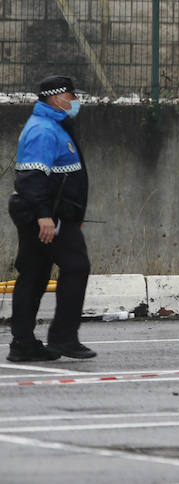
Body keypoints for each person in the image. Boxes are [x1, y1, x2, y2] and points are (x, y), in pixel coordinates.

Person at [7, 75, 97, 362]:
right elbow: (32, 178)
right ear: (56, 98)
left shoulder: (55, 126)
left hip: (54, 215)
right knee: (76, 267)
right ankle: (63, 338)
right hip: (48, 218)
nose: (75, 102)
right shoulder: (44, 131)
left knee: (34, 275)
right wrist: (45, 216)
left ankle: (23, 344)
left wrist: (75, 214)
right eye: (71, 96)